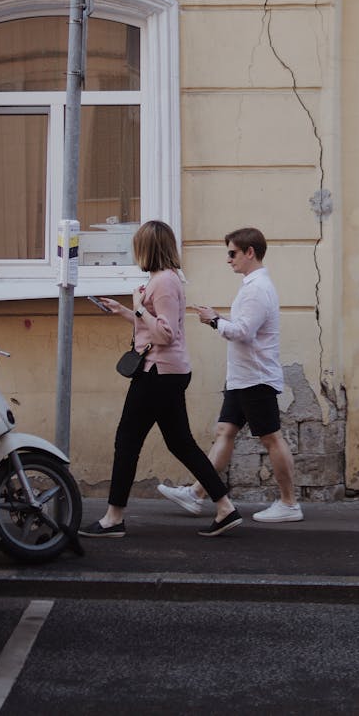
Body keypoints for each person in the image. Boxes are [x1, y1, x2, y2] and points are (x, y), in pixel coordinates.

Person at [79, 220, 241, 539]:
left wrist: (138, 310)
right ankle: (225, 508)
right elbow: (157, 325)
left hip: (158, 372)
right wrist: (126, 312)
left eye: (137, 245)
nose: (134, 250)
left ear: (148, 248)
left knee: (127, 441)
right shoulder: (161, 280)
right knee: (180, 442)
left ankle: (113, 519)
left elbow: (166, 334)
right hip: (166, 372)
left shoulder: (165, 281)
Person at [157, 226, 303, 523]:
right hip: (243, 376)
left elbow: (243, 333)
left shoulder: (257, 290)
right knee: (225, 432)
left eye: (232, 253)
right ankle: (198, 493)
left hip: (256, 377)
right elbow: (245, 328)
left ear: (250, 252)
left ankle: (289, 503)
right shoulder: (252, 286)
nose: (228, 259)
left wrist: (214, 321)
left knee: (271, 439)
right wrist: (219, 319)